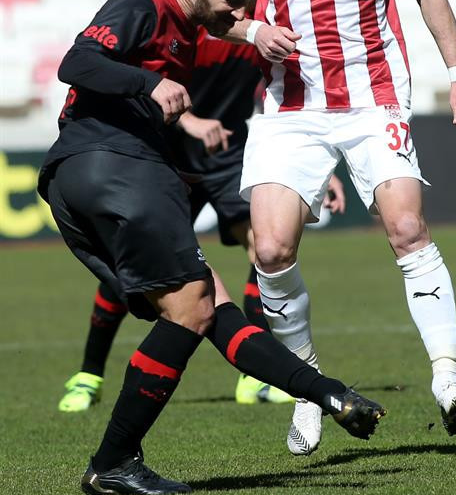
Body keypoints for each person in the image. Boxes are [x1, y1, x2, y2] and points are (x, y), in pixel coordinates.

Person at [39, 0, 385, 495]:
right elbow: (75, 63)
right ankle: (113, 457)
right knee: (193, 308)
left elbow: (228, 33)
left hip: (83, 177)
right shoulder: (145, 3)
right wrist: (147, 86)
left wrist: (252, 33)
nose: (240, 11)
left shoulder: (195, 26)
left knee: (204, 305)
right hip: (115, 164)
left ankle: (327, 393)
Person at [228, 0, 456, 455]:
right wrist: (253, 30)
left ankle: (448, 378)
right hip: (289, 108)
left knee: (407, 227)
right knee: (271, 250)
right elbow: (213, 9)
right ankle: (309, 384)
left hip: (374, 99)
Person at [56, 30, 347, 413]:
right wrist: (189, 120)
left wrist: (316, 166)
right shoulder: (192, 28)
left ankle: (254, 378)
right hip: (167, 154)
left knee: (265, 246)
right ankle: (89, 375)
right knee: (137, 264)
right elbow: (149, 84)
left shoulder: (264, 32)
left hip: (228, 152)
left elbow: (284, 95)